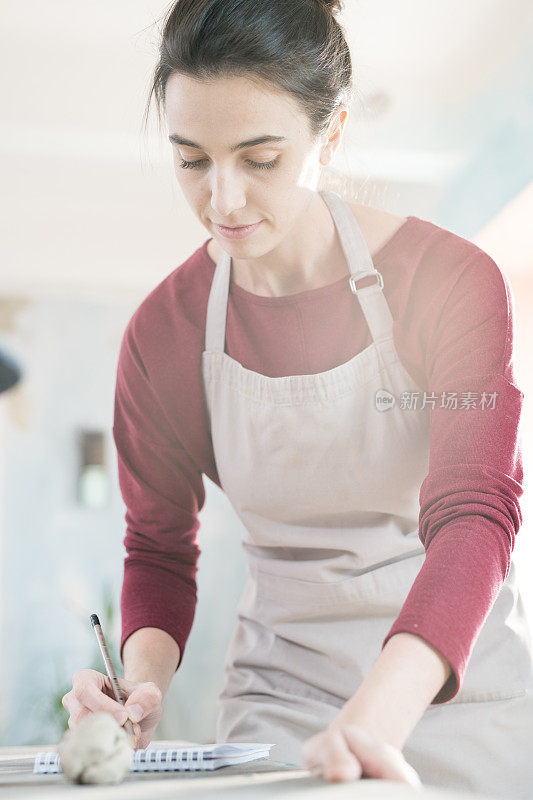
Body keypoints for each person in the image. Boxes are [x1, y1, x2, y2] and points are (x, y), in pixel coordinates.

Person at [62, 0, 533, 795]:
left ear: (333, 132)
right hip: (283, 704)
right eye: (191, 160)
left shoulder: (448, 282)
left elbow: (474, 514)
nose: (224, 201)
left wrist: (376, 718)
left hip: (456, 690)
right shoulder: (164, 335)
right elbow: (159, 550)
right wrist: (137, 688)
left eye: (259, 158)